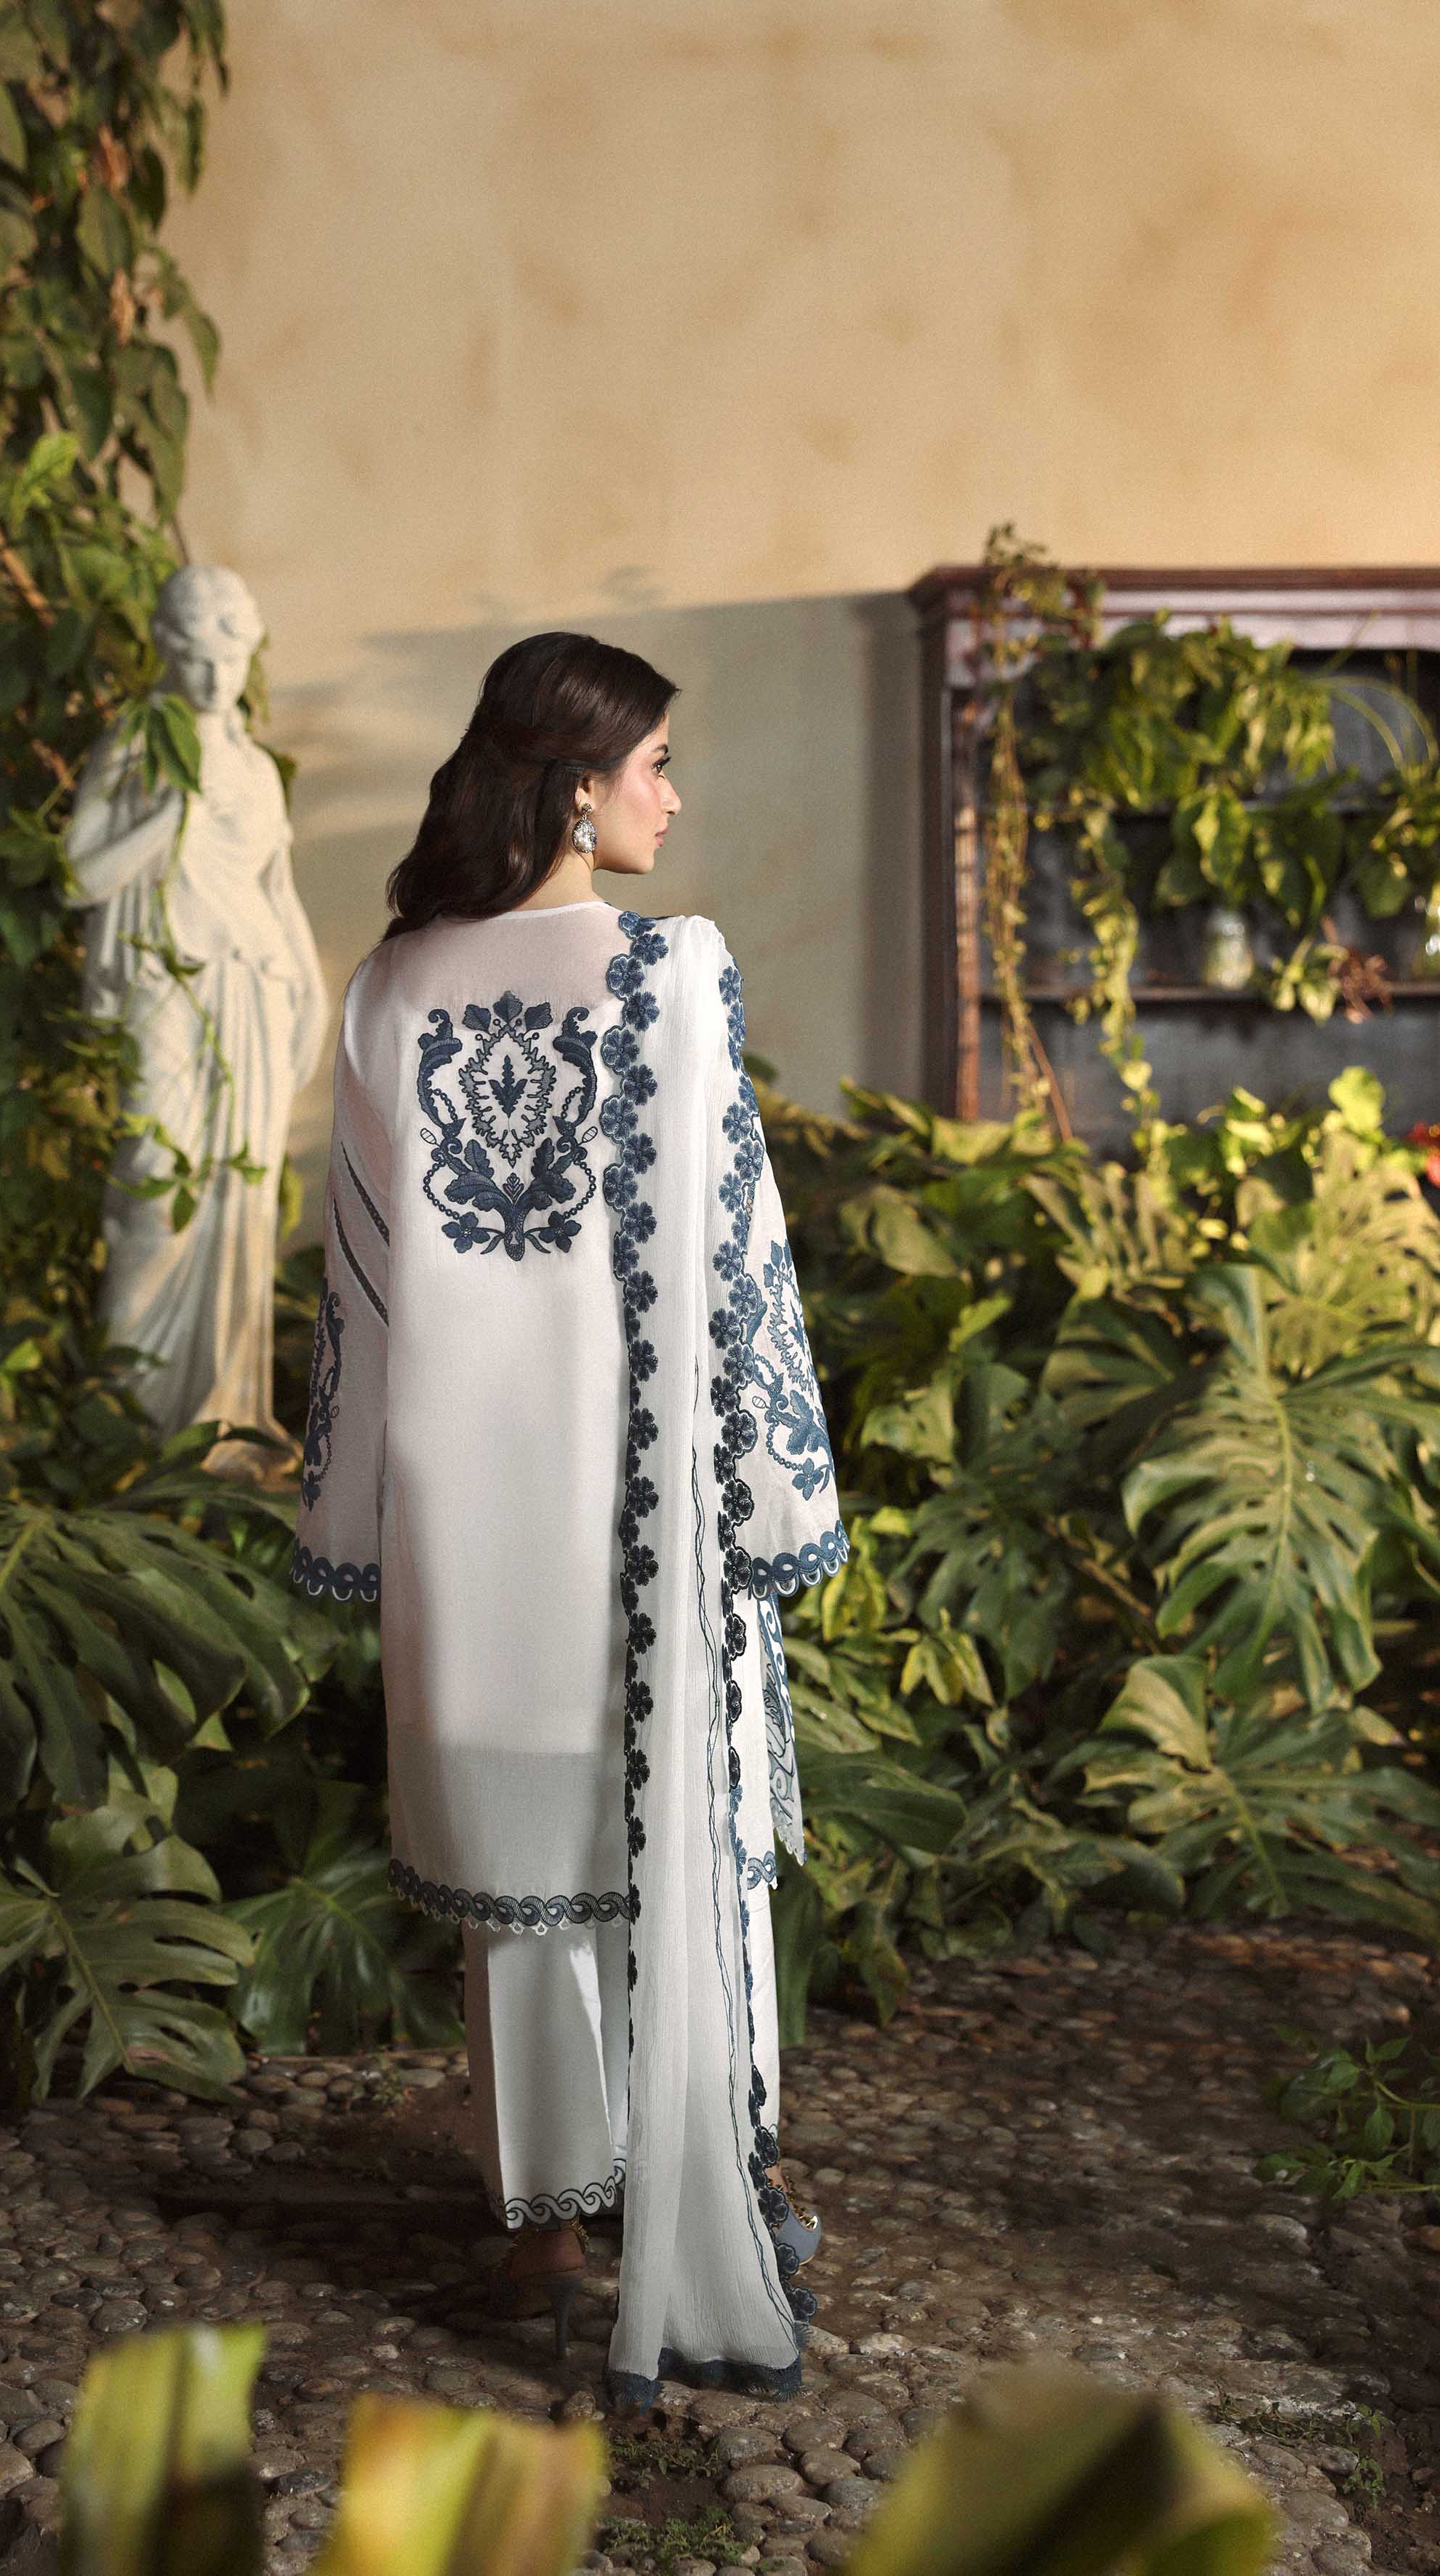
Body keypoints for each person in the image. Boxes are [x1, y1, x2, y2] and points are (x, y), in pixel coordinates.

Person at [291, 631, 847, 2406]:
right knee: (677, 1820)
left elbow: (360, 1281)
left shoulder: (388, 986)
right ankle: (708, 2175)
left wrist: (357, 1500)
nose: (672, 796)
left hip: (475, 1504)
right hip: (644, 1498)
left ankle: (545, 2234)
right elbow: (740, 1262)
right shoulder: (667, 974)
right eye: (655, 762)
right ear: (576, 781)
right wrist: (773, 1489)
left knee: (523, 1850)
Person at [66, 565, 327, 1470]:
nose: (216, 679)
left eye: (231, 659)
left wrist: (312, 989)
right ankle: (129, 1421)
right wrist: (166, 817)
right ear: (167, 653)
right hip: (164, 981)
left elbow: (276, 892)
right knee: (154, 1185)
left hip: (254, 986)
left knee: (238, 1198)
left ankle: (218, 1421)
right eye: (197, 659)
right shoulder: (137, 746)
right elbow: (78, 876)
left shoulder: (255, 769)